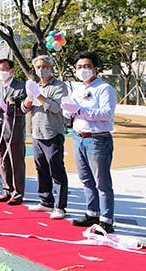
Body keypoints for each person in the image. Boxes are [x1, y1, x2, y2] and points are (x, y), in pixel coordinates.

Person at [62, 52, 117, 233]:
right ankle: (92, 213)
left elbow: (106, 114)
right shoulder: (77, 89)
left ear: (95, 68)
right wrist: (68, 111)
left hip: (98, 139)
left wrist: (80, 110)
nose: (83, 70)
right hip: (79, 137)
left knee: (102, 181)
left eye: (87, 67)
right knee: (86, 179)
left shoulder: (104, 88)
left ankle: (106, 219)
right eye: (79, 67)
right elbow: (72, 113)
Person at [22, 55, 69, 220]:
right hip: (37, 133)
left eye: (44, 66)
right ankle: (45, 201)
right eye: (38, 67)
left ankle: (60, 206)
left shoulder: (59, 86)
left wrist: (40, 97)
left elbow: (56, 108)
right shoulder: (34, 86)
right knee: (41, 168)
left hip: (52, 132)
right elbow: (24, 108)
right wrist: (29, 97)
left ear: (51, 67)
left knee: (56, 170)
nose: (41, 70)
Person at [0, 58, 27, 205]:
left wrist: (8, 108)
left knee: (16, 162)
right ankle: (6, 189)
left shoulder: (20, 86)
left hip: (14, 129)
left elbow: (23, 108)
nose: (2, 72)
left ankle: (18, 193)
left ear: (12, 70)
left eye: (4, 69)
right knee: (3, 161)